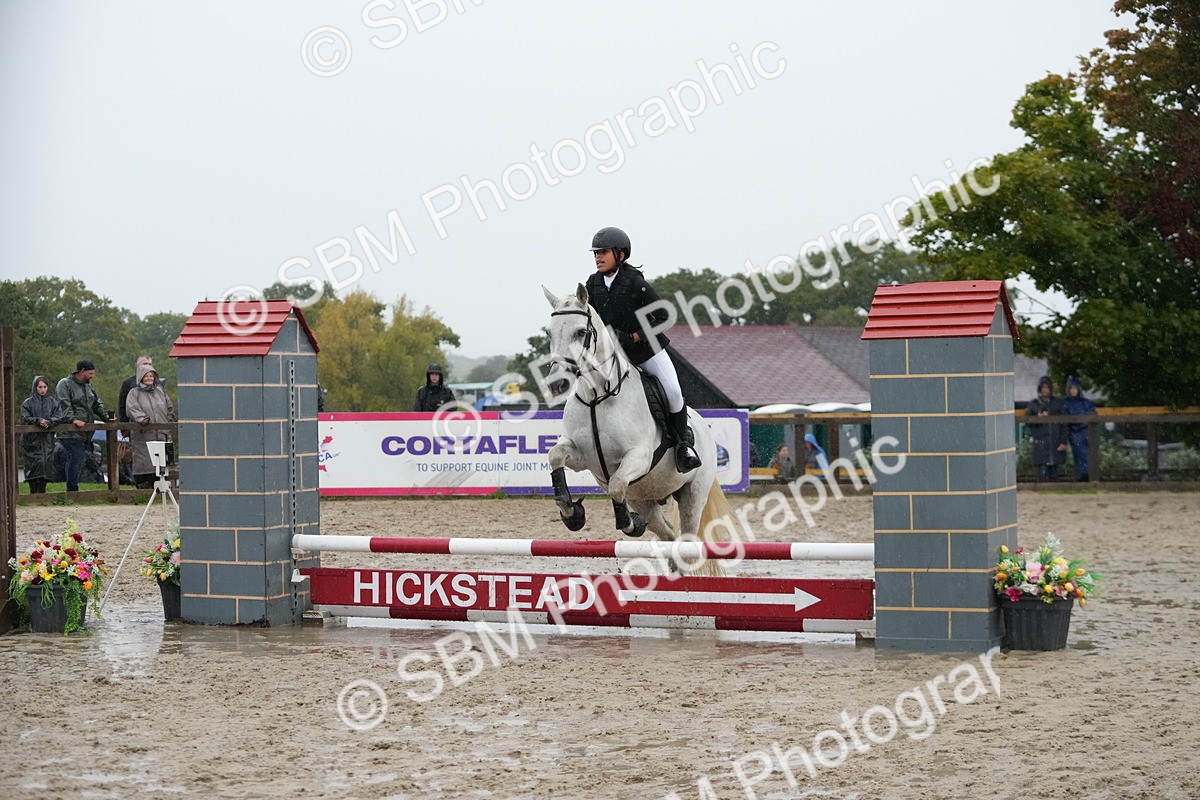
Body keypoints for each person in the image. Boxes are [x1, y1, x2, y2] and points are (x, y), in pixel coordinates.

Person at [584, 226, 702, 472]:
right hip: (612, 357)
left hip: (647, 352)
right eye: (595, 252)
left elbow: (664, 316)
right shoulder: (592, 283)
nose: (598, 257)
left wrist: (634, 336)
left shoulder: (635, 282)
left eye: (603, 252)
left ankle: (683, 447)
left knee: (672, 391)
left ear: (621, 254)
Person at [55, 359, 108, 492]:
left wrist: (107, 417)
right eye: (90, 373)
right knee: (77, 456)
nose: (92, 376)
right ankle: (72, 489)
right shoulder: (65, 384)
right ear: (82, 371)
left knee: (75, 457)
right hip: (69, 430)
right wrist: (73, 419)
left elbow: (97, 403)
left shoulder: (88, 386)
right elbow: (64, 404)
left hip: (85, 432)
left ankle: (71, 489)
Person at [125, 362, 175, 488]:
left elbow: (169, 408)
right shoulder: (134, 393)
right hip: (143, 435)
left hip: (162, 434)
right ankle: (143, 488)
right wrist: (142, 419)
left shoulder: (160, 392)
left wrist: (168, 422)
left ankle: (161, 488)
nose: (149, 378)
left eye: (151, 376)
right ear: (140, 377)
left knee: (162, 463)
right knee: (144, 462)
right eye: (146, 376)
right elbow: (132, 408)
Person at [20, 375, 63, 493]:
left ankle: (43, 493)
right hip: (31, 441)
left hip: (47, 441)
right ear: (35, 387)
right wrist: (38, 421)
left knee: (46, 465)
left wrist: (50, 422)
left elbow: (59, 416)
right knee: (33, 466)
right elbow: (24, 418)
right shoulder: (27, 403)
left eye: (44, 386)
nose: (42, 389)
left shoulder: (53, 402)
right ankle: (33, 493)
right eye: (40, 387)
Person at [1026, 375, 1067, 482]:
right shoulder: (1033, 405)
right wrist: (1037, 418)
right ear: (1040, 389)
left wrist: (1063, 441)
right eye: (1043, 387)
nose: (1045, 390)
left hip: (1055, 442)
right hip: (1041, 443)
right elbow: (1028, 422)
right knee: (1042, 475)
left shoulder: (1058, 403)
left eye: (1047, 387)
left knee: (1054, 475)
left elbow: (1064, 424)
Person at [1062, 376, 1097, 481]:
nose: (1073, 390)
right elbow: (1066, 419)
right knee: (1080, 455)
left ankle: (1087, 476)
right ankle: (1083, 477)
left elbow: (1093, 414)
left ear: (1079, 389)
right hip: (1075, 432)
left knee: (1089, 455)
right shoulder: (1066, 403)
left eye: (1075, 388)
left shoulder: (1087, 402)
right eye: (1071, 388)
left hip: (1087, 432)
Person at [117, 355, 154, 431]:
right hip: (136, 427)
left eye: (150, 364)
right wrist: (124, 429)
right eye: (145, 364)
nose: (147, 367)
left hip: (157, 427)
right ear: (137, 366)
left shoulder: (158, 385)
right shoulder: (128, 384)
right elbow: (122, 407)